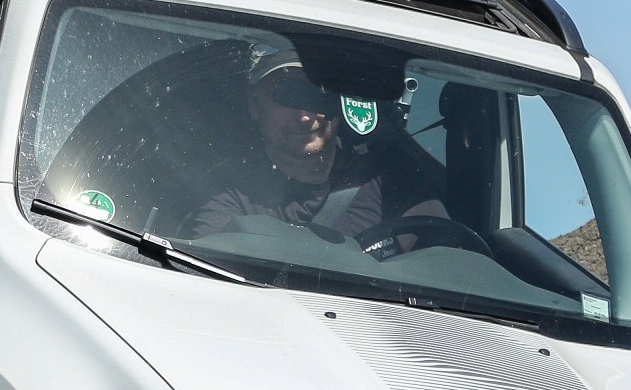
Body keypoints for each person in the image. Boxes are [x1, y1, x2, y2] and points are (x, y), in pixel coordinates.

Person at [184, 47, 443, 250]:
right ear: (254, 105)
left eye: (316, 94)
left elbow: (441, 261)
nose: (305, 116)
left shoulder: (387, 175)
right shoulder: (230, 192)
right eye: (286, 96)